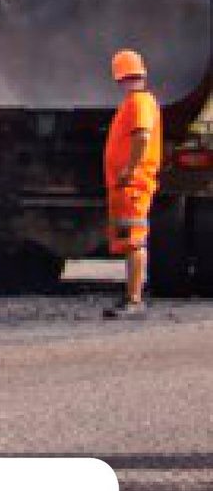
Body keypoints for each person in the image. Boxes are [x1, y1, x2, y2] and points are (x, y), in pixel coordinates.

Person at [102, 48, 162, 318]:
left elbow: (142, 137)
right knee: (130, 241)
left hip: (133, 184)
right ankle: (131, 295)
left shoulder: (139, 103)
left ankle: (134, 299)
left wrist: (129, 168)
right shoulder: (137, 101)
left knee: (135, 241)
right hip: (128, 184)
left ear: (118, 78)